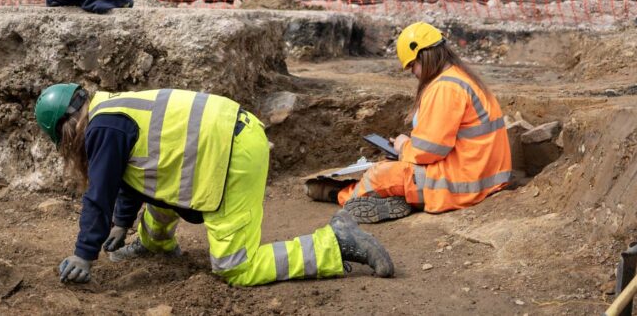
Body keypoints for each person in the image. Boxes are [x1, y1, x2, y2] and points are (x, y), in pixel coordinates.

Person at [34, 84, 396, 286]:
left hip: (232, 153)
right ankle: (157, 243)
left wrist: (84, 254)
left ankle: (335, 245)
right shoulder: (109, 109)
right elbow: (131, 176)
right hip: (230, 138)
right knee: (160, 181)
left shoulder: (102, 128)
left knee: (236, 267)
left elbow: (98, 195)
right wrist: (121, 223)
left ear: (66, 130)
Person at [335, 22, 513, 223]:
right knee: (394, 169)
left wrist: (403, 147)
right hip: (481, 176)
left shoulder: (445, 87)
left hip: (464, 185)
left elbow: (428, 151)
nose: (412, 72)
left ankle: (342, 198)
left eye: (412, 65)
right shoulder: (461, 78)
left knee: (381, 174)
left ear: (423, 56)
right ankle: (396, 200)